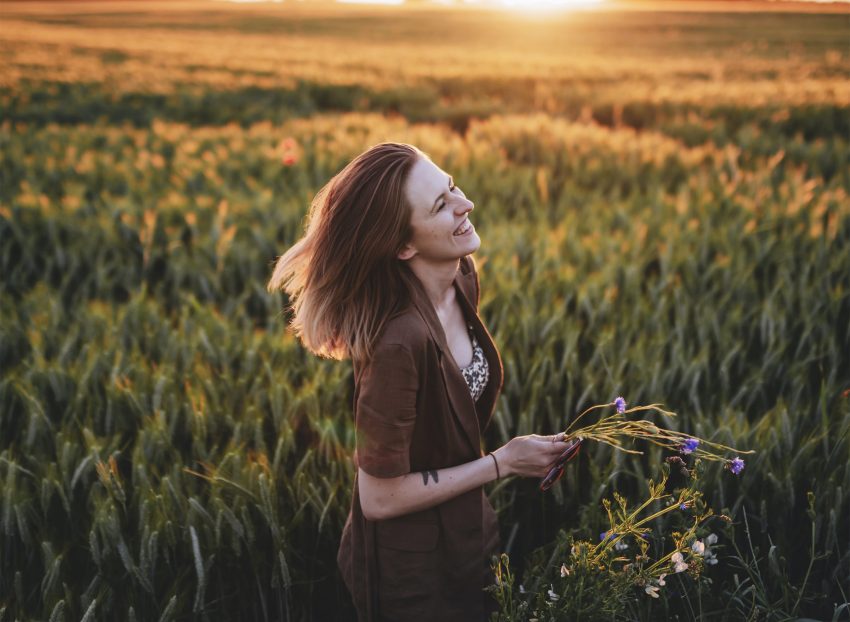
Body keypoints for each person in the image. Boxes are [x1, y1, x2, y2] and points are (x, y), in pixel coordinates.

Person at [267, 142, 575, 621]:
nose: (465, 204)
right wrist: (503, 463)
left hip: (468, 536)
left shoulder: (460, 277)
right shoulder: (397, 345)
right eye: (440, 205)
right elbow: (378, 497)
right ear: (404, 246)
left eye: (451, 185)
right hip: (409, 574)